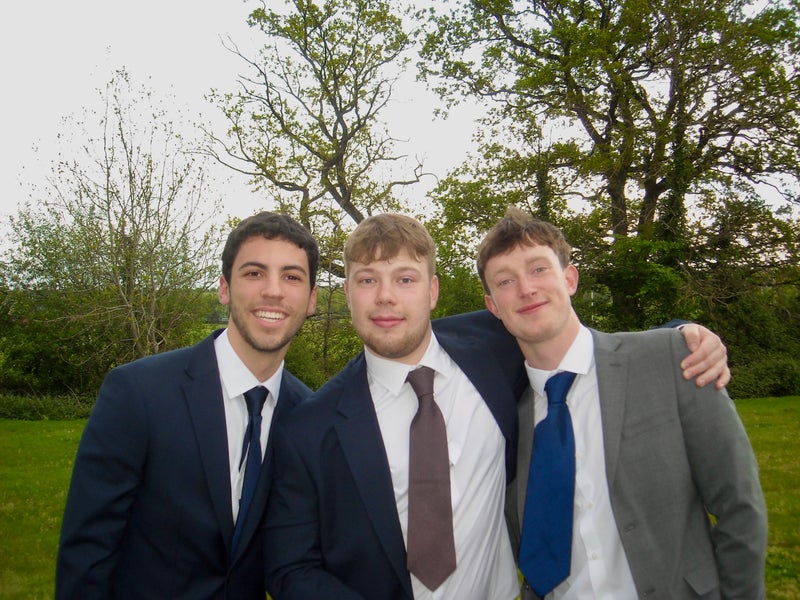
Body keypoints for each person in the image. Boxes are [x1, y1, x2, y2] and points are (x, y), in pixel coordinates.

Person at [262, 212, 730, 600]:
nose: (386, 296)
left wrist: (682, 333)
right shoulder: (309, 428)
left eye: (405, 278)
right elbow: (289, 568)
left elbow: (579, 341)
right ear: (347, 293)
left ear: (432, 291)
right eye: (367, 280)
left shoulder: (493, 346)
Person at [477, 207, 767, 599]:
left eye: (538, 269)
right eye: (506, 281)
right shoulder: (506, 421)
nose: (526, 289)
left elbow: (740, 505)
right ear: (493, 306)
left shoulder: (672, 358)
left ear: (570, 278)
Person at [55, 212, 319, 600]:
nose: (273, 291)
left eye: (292, 277)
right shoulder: (138, 392)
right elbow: (86, 554)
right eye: (254, 273)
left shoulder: (308, 416)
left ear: (312, 299)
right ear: (224, 288)